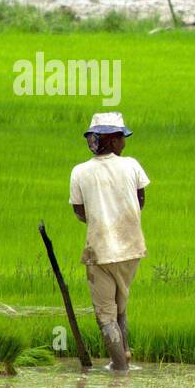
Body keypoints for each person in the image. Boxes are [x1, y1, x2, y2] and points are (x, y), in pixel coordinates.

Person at [70, 112, 150, 372]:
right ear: (113, 140)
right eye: (122, 139)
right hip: (132, 250)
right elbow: (140, 202)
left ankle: (120, 371)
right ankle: (124, 358)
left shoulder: (80, 172)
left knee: (106, 316)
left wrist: (101, 220)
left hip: (100, 253)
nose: (125, 144)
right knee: (120, 306)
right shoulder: (132, 166)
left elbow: (80, 213)